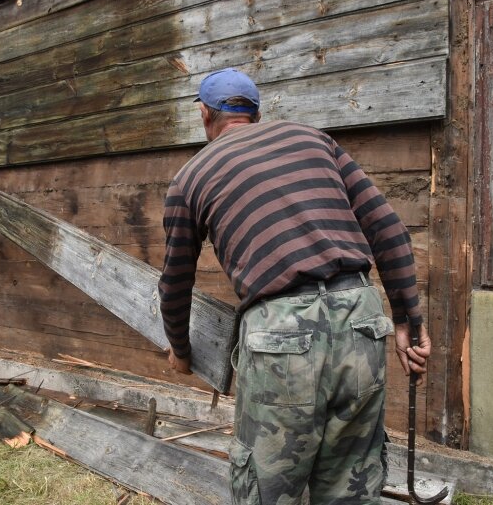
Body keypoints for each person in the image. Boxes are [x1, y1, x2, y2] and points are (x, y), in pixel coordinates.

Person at [158, 68, 431, 504]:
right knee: (352, 484)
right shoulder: (314, 140)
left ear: (205, 115)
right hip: (361, 316)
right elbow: (389, 230)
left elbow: (174, 281)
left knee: (267, 489)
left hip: (281, 331)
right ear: (256, 113)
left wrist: (180, 350)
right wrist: (408, 324)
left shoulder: (190, 178)